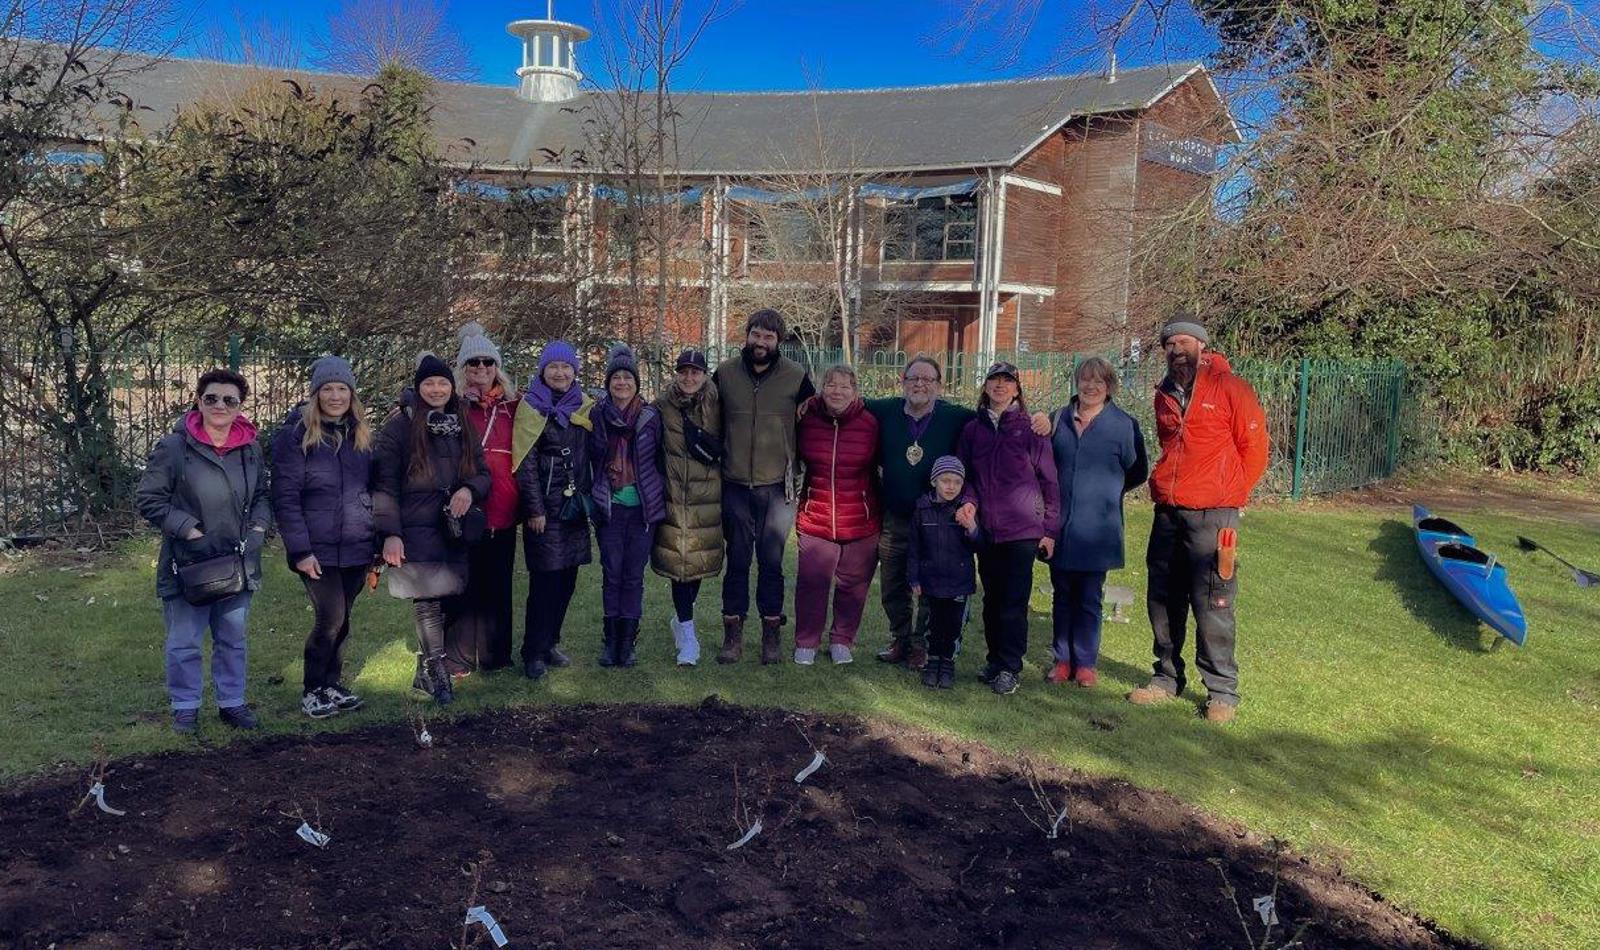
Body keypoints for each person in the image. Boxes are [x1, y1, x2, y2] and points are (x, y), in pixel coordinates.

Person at [1129, 316, 1268, 724]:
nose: (1178, 350)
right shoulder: (1164, 394)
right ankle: (1166, 678)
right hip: (1169, 512)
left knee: (1213, 601)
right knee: (1163, 598)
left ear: (1202, 347)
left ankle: (1222, 690)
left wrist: (1233, 494)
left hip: (1215, 514)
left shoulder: (1232, 389)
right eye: (1171, 345)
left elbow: (1254, 448)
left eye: (1185, 342)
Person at [866, 358, 1048, 670]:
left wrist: (1045, 418)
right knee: (893, 583)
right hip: (896, 516)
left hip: (937, 516)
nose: (920, 384)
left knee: (931, 583)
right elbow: (843, 397)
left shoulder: (956, 417)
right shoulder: (884, 410)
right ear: (902, 380)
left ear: (939, 384)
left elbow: (997, 416)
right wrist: (809, 402)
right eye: (913, 378)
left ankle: (923, 645)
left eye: (928, 379)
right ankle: (901, 638)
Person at [136, 368, 272, 734]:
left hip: (238, 561)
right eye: (211, 398)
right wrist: (187, 528)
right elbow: (149, 498)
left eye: (230, 400)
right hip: (189, 562)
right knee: (184, 641)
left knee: (232, 639)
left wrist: (258, 527)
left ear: (240, 406)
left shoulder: (250, 449)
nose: (220, 406)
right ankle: (186, 706)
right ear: (198, 400)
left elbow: (261, 496)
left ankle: (232, 702)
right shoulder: (174, 447)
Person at [371, 354, 491, 706]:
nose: (436, 389)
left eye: (442, 383)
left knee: (447, 596)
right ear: (418, 387)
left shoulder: (462, 422)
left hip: (451, 526)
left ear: (451, 386)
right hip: (414, 525)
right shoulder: (400, 427)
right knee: (426, 599)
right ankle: (437, 671)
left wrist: (470, 490)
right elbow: (385, 484)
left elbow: (482, 471)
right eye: (429, 383)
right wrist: (390, 533)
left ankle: (426, 668)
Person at [270, 356, 376, 719]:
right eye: (327, 389)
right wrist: (300, 550)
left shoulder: (360, 436)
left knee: (344, 619)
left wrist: (375, 541)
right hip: (316, 548)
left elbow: (371, 490)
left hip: (356, 546)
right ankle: (312, 688)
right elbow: (285, 498)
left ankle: (332, 683)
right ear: (316, 394)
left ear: (351, 394)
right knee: (329, 618)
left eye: (342, 389)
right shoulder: (295, 437)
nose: (335, 396)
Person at [713, 308, 815, 664]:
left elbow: (813, 423)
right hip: (735, 484)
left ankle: (771, 635)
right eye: (756, 335)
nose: (761, 342)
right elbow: (706, 415)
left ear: (779, 341)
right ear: (747, 335)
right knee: (737, 560)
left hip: (777, 487)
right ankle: (733, 636)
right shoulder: (724, 374)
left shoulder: (796, 377)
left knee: (771, 563)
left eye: (768, 337)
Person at [957, 361, 1060, 696]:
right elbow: (966, 476)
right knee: (992, 600)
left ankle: (1010, 667)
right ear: (985, 387)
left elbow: (1050, 481)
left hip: (1022, 531)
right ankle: (994, 659)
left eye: (1007, 382)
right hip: (986, 529)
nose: (1000, 386)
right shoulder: (973, 430)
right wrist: (969, 501)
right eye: (993, 381)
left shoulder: (1032, 429)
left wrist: (1050, 529)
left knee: (1014, 602)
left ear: (1017, 389)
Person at [1046, 357, 1148, 689]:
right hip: (1059, 525)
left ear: (1109, 387)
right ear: (1077, 383)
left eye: (1099, 382)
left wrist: (1105, 493)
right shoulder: (1058, 419)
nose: (1090, 387)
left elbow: (1137, 471)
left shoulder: (1123, 425)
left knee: (1090, 597)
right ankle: (1062, 660)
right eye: (1085, 380)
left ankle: (1086, 663)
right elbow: (1043, 466)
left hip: (1099, 527)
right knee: (1062, 596)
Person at [444, 321, 526, 676]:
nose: (481, 370)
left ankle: (495, 655)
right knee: (463, 584)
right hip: (466, 507)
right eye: (473, 364)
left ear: (497, 368)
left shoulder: (513, 406)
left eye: (487, 363)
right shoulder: (453, 407)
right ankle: (459, 657)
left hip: (503, 508)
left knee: (498, 583)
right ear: (463, 369)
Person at [512, 340, 596, 680]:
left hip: (574, 508)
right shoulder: (531, 408)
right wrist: (534, 508)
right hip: (545, 510)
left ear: (574, 371)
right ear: (543, 372)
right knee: (544, 584)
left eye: (565, 367)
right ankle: (532, 650)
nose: (560, 373)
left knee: (567, 581)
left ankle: (550, 642)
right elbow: (525, 464)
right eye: (553, 367)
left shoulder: (585, 407)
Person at [793, 364, 881, 665]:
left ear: (855, 391)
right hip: (815, 518)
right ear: (821, 388)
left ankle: (842, 639)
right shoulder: (806, 418)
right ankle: (807, 640)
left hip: (860, 520)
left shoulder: (870, 423)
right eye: (831, 384)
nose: (837, 391)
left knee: (853, 585)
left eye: (845, 386)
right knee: (811, 582)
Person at [589, 344, 666, 668]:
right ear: (608, 383)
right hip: (610, 506)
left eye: (627, 377)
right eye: (616, 378)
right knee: (612, 573)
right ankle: (611, 641)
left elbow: (661, 459)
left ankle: (627, 642)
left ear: (636, 382)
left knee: (633, 576)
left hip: (642, 509)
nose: (621, 383)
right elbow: (590, 458)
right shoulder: (596, 415)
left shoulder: (650, 417)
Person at [651, 349, 723, 666]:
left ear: (704, 374)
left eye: (695, 372)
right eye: (684, 371)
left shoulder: (718, 406)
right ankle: (688, 636)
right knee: (678, 569)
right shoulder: (661, 407)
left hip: (707, 500)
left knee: (696, 569)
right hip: (673, 498)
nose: (689, 378)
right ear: (676, 374)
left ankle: (681, 621)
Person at [908, 456, 981, 690]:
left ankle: (947, 664)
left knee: (952, 627)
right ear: (934, 481)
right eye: (945, 481)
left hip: (959, 582)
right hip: (932, 581)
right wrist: (914, 577)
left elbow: (979, 546)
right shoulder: (921, 509)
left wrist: (972, 529)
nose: (950, 487)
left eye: (957, 482)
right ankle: (933, 663)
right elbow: (914, 548)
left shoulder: (964, 512)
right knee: (934, 624)